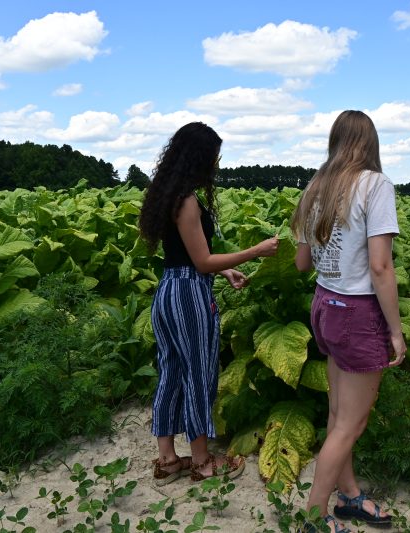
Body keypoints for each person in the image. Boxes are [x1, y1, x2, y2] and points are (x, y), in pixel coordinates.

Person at [139, 122, 279, 486]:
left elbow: (185, 259)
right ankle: (202, 462)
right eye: (213, 158)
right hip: (189, 297)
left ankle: (168, 460)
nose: (215, 165)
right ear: (199, 158)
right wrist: (255, 252)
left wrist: (226, 271)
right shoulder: (187, 200)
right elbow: (200, 263)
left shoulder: (169, 195)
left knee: (170, 373)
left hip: (168, 292)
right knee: (199, 374)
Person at [291, 110, 406, 533]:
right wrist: (395, 330)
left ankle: (349, 496)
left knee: (338, 414)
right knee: (351, 423)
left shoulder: (315, 189)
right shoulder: (375, 185)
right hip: (357, 312)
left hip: (325, 304)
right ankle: (315, 518)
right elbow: (380, 267)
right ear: (370, 143)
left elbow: (303, 263)